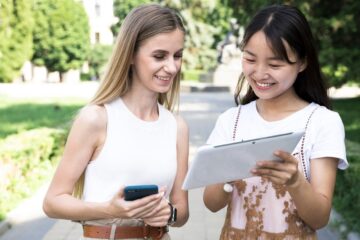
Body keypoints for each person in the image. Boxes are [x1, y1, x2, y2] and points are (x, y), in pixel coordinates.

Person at [43, 4, 189, 240]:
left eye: (178, 56)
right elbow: (52, 202)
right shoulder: (96, 119)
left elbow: (182, 211)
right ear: (131, 55)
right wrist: (108, 209)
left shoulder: (177, 127)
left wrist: (169, 213)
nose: (172, 67)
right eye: (159, 56)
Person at [203, 4, 348, 239]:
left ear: (302, 62)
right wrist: (227, 175)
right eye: (250, 59)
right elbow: (211, 203)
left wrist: (295, 182)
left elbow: (320, 218)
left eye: (275, 64)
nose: (260, 73)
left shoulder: (322, 122)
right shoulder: (231, 121)